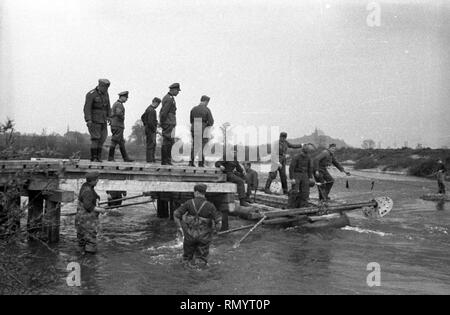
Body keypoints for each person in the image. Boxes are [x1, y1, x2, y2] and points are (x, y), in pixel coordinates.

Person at [173, 184, 222, 267]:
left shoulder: (188, 203)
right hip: (204, 237)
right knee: (202, 261)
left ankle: (186, 274)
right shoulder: (210, 205)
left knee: (186, 260)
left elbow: (176, 214)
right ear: (204, 193)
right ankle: (200, 275)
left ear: (196, 192)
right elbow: (219, 222)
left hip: (189, 236)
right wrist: (215, 232)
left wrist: (179, 228)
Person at [75, 171, 106, 254]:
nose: (97, 181)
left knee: (81, 240)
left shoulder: (86, 185)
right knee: (90, 241)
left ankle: (80, 258)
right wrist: (101, 210)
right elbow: (88, 206)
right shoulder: (87, 191)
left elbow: (92, 198)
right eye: (96, 180)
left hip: (80, 220)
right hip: (87, 221)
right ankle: (90, 262)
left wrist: (97, 200)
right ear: (92, 181)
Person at [84, 79, 111, 162]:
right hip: (94, 120)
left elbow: (108, 106)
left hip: (103, 120)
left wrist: (109, 117)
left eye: (107, 88)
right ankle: (94, 157)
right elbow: (87, 108)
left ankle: (99, 157)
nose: (106, 90)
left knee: (102, 138)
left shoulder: (106, 94)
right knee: (95, 138)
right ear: (100, 86)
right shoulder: (91, 94)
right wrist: (88, 120)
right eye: (105, 88)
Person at [108, 91, 133, 162]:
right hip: (117, 125)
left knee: (121, 142)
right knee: (114, 141)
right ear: (122, 97)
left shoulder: (116, 104)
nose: (126, 99)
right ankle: (110, 158)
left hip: (116, 125)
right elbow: (118, 113)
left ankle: (126, 158)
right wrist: (123, 118)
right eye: (126, 97)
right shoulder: (119, 104)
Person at [189, 95, 214, 167]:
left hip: (194, 128)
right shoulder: (207, 109)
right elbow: (211, 122)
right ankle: (201, 163)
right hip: (203, 129)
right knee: (203, 146)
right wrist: (206, 125)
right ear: (206, 101)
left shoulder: (193, 109)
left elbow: (191, 120)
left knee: (195, 146)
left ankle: (191, 162)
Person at [288, 143, 315, 208]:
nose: (305, 155)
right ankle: (291, 206)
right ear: (302, 151)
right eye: (305, 153)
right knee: (295, 191)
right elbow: (291, 168)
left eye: (307, 153)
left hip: (305, 175)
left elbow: (310, 168)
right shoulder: (296, 157)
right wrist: (292, 178)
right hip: (296, 174)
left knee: (305, 191)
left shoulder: (308, 157)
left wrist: (310, 177)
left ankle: (303, 206)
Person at [160, 83, 180, 165]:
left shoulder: (170, 98)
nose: (178, 92)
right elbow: (164, 112)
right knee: (167, 142)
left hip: (170, 122)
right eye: (177, 91)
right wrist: (163, 123)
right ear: (173, 90)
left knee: (169, 142)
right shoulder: (169, 99)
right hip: (168, 123)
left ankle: (167, 160)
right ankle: (165, 161)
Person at [141, 97, 162, 163]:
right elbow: (150, 122)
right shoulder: (152, 110)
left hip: (148, 129)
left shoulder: (148, 109)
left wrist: (145, 124)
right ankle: (150, 160)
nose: (157, 106)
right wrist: (155, 129)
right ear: (155, 102)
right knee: (151, 145)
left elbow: (143, 117)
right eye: (158, 104)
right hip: (151, 130)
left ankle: (151, 159)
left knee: (150, 144)